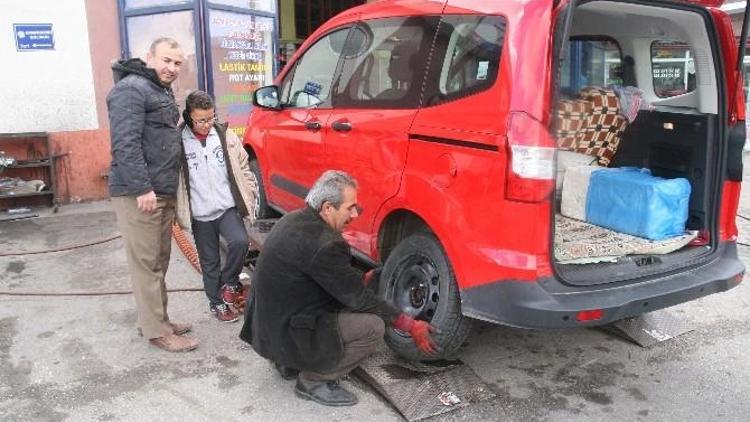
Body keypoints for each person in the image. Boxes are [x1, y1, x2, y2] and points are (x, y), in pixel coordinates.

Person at [240, 170, 437, 407]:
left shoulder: (292, 220)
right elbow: (361, 300)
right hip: (286, 331)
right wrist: (410, 324)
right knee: (372, 327)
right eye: (350, 207)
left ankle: (287, 361)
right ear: (327, 208)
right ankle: (313, 380)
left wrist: (356, 278)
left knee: (349, 310)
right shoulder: (327, 244)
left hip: (267, 330)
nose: (355, 214)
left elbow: (322, 274)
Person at [107, 37, 198, 353]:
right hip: (141, 193)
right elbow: (125, 143)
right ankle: (157, 330)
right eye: (167, 61)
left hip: (160, 190)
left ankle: (157, 319)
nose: (172, 68)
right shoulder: (131, 89)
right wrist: (142, 188)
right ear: (149, 57)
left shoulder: (156, 89)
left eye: (177, 63)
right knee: (147, 263)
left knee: (158, 260)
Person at [175, 90, 257, 323]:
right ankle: (217, 303)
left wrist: (249, 190)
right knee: (209, 261)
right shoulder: (179, 140)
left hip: (226, 207)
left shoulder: (224, 135)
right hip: (200, 214)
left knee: (240, 242)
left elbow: (243, 165)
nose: (207, 124)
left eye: (211, 117)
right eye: (201, 119)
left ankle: (230, 284)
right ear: (189, 117)